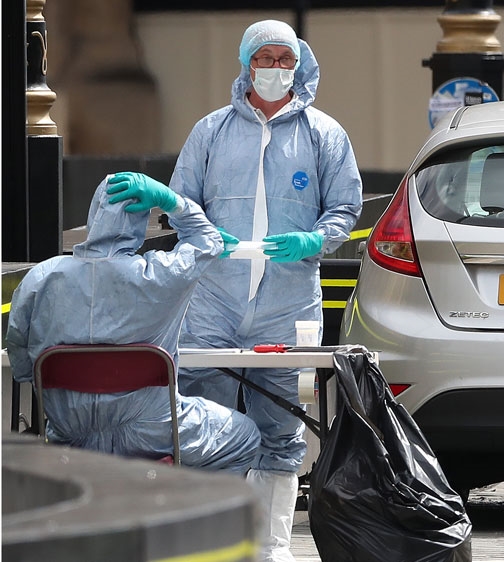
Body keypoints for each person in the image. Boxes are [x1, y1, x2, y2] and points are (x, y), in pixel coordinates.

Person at [168, 19, 363, 561]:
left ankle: (272, 545)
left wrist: (311, 239)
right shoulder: (211, 131)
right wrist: (208, 237)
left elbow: (344, 209)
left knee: (280, 423)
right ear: (246, 63)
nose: (276, 69)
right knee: (203, 417)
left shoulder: (324, 134)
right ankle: (211, 541)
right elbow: (182, 203)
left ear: (299, 64)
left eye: (285, 59)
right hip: (213, 297)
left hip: (286, 301)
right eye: (266, 58)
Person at [5, 173, 261, 473]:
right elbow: (209, 240)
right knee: (246, 439)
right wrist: (174, 202)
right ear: (141, 218)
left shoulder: (41, 277)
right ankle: (186, 513)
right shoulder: (160, 274)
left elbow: (21, 360)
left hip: (68, 436)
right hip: (152, 433)